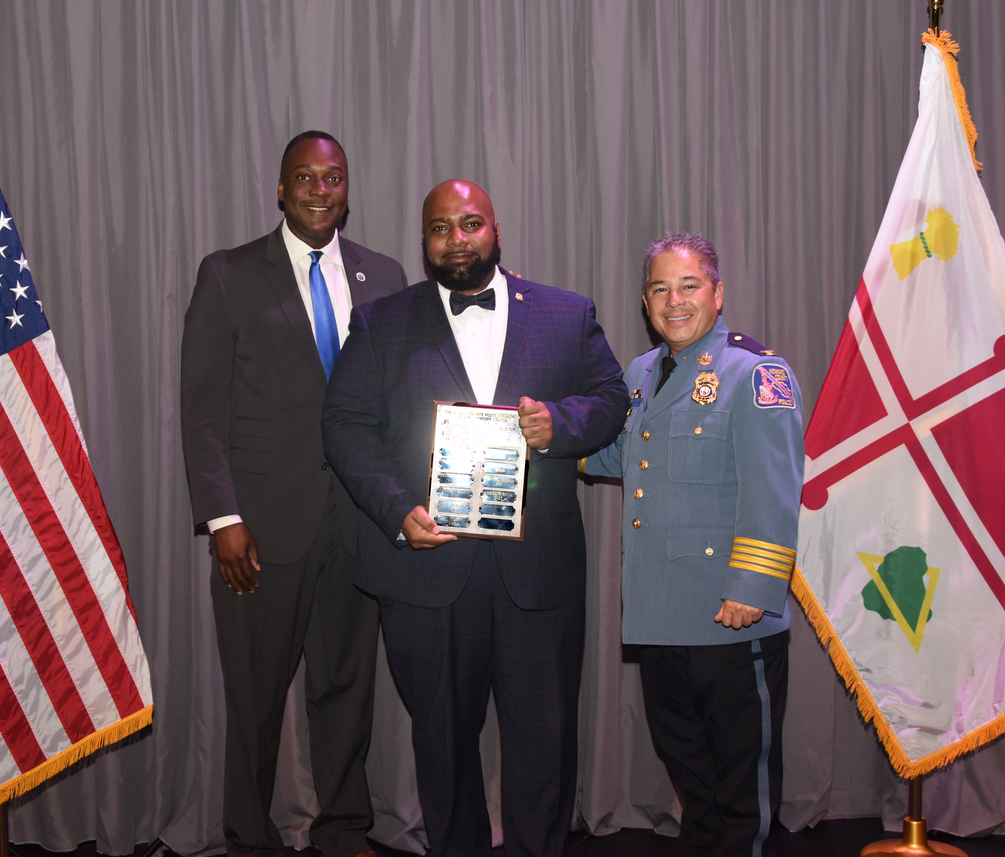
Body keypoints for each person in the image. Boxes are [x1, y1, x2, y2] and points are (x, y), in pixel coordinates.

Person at [321, 179, 627, 857]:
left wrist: (561, 423)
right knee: (443, 748)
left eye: (469, 224)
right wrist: (398, 511)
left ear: (496, 228)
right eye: (439, 228)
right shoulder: (382, 321)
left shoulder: (566, 313)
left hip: (538, 576)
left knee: (545, 748)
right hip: (428, 574)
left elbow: (611, 396)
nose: (455, 239)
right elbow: (343, 427)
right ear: (424, 239)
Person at [181, 130, 407, 857]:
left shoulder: (386, 275)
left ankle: (343, 829)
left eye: (332, 177)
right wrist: (223, 517)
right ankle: (250, 838)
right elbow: (203, 410)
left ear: (347, 189)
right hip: (260, 529)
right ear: (280, 189)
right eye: (304, 178)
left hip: (355, 524)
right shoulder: (228, 273)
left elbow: (399, 401)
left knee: (346, 689)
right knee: (253, 700)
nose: (319, 190)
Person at [581, 233, 803, 857]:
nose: (673, 301)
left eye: (688, 285)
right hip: (659, 613)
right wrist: (548, 435)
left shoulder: (757, 374)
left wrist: (754, 589)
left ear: (717, 292)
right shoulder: (641, 373)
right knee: (692, 780)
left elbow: (775, 489)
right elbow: (619, 456)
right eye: (659, 287)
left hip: (730, 613)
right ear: (645, 299)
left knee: (742, 787)